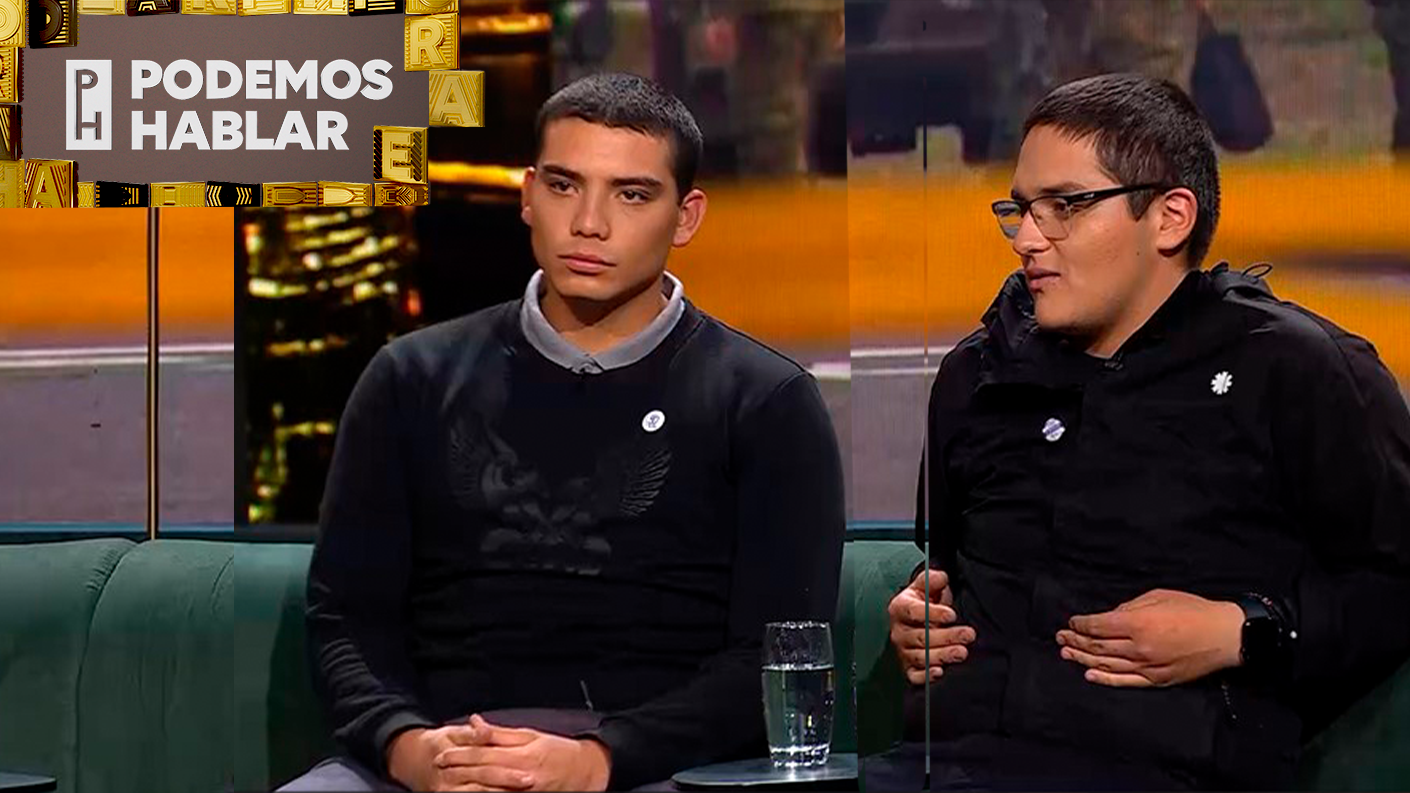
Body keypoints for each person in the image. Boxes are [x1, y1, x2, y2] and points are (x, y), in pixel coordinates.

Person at [280, 72, 846, 792]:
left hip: (661, 768)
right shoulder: (411, 379)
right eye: (563, 186)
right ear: (527, 195)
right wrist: (412, 749)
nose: (589, 223)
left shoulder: (766, 401)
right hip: (440, 757)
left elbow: (773, 657)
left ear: (686, 217)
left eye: (631, 194)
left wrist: (598, 760)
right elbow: (346, 619)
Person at [875, 72, 1410, 791]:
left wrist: (1241, 630)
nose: (1027, 239)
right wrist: (918, 611)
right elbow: (949, 566)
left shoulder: (1292, 370)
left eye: (1065, 206)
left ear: (1170, 217)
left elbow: (1393, 585)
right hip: (938, 767)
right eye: (1020, 209)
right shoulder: (977, 374)